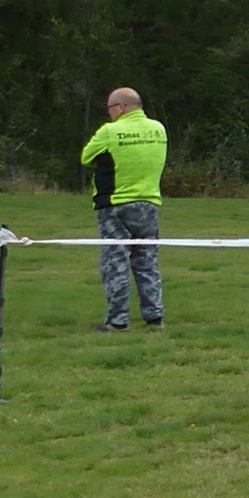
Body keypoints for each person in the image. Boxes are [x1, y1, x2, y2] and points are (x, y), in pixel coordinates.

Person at [80, 87, 169, 332]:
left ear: (121, 107)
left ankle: (118, 320)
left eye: (110, 109)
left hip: (115, 204)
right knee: (147, 261)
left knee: (115, 263)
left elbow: (86, 157)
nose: (109, 114)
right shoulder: (158, 129)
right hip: (149, 203)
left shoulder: (110, 131)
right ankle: (155, 316)